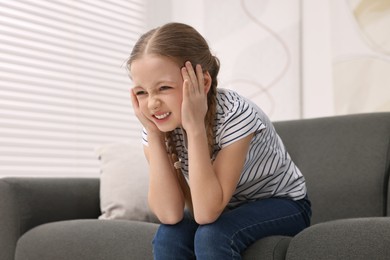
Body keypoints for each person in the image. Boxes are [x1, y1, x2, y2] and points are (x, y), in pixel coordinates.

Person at [127, 22, 311, 260]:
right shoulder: (157, 126)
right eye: (141, 92)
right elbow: (169, 214)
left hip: (283, 204)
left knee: (212, 235)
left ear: (202, 83)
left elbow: (205, 215)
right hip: (220, 207)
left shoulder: (236, 114)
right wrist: (153, 134)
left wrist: (194, 128)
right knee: (168, 235)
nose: (151, 104)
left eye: (163, 88)